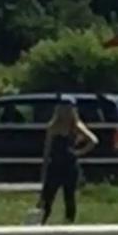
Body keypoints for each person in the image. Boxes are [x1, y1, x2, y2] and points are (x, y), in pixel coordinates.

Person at [38, 96, 97, 225]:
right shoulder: (53, 126)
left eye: (67, 107)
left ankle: (69, 222)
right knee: (47, 195)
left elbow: (93, 140)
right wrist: (44, 167)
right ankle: (41, 221)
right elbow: (47, 149)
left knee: (69, 195)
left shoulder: (76, 126)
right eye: (62, 107)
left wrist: (78, 152)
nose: (65, 110)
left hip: (70, 166)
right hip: (54, 164)